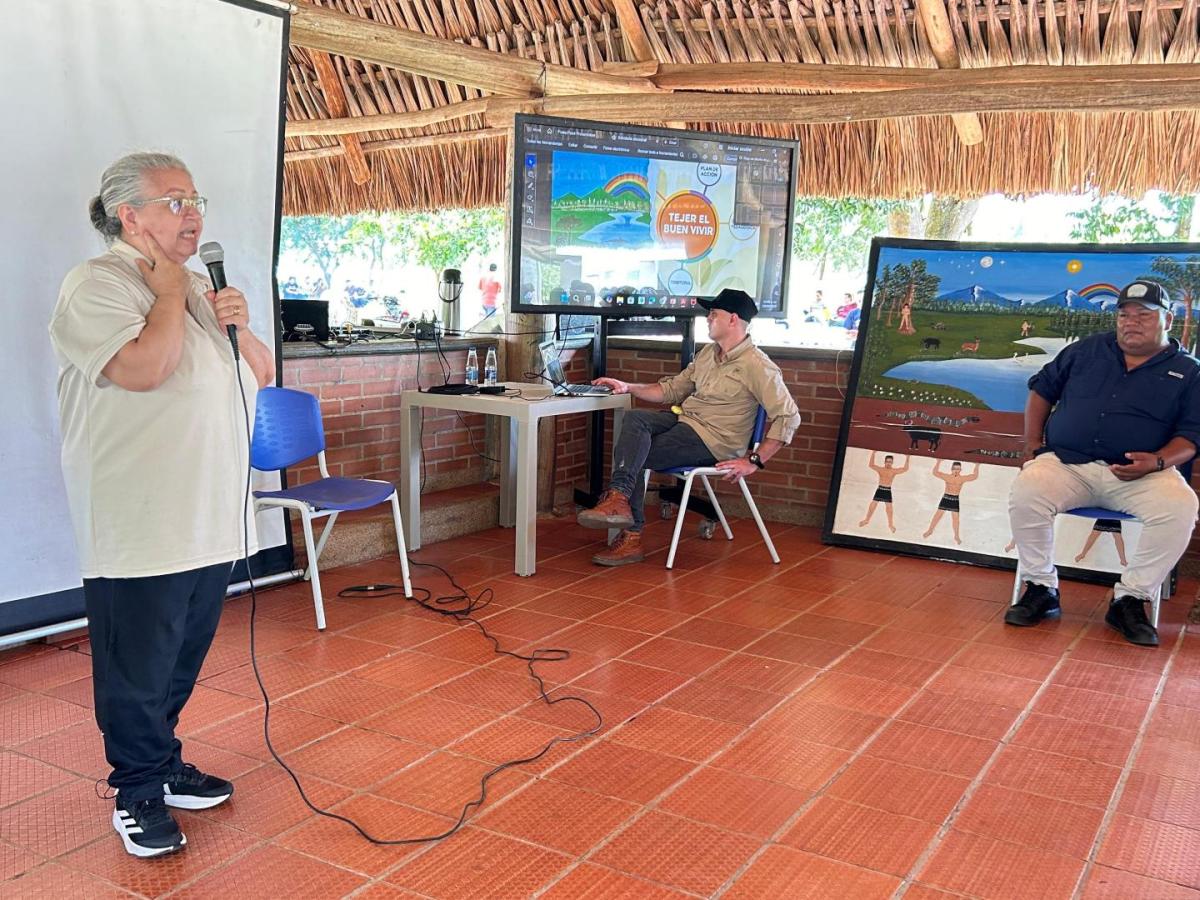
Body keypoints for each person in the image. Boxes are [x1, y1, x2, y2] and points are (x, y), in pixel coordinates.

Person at [49, 152, 275, 857]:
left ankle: (162, 759)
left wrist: (238, 322)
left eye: (196, 199)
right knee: (137, 667)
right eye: (175, 201)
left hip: (208, 513)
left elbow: (261, 375)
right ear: (130, 216)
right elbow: (145, 369)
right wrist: (172, 293)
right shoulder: (98, 284)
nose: (193, 214)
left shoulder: (197, 287)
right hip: (141, 518)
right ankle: (137, 790)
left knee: (180, 656)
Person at [1006, 280, 1200, 647]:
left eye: (1144, 315)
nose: (1131, 322)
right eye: (1124, 315)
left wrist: (1158, 461)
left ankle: (1131, 599)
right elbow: (1042, 389)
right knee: (1028, 490)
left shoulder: (1189, 372)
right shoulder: (1086, 350)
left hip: (1142, 475)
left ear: (1168, 320)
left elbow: (1192, 435)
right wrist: (1032, 445)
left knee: (1181, 507)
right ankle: (1041, 587)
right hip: (1070, 465)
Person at [575, 289, 801, 565]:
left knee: (635, 454)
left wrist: (754, 460)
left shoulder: (758, 366)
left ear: (733, 319)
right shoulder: (708, 354)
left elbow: (789, 416)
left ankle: (630, 533)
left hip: (713, 440)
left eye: (713, 314)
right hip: (685, 421)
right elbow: (672, 390)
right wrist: (627, 387)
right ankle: (619, 499)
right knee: (635, 419)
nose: (708, 318)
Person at [922, 460, 980, 544]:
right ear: (951, 469)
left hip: (955, 499)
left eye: (958, 469)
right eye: (954, 469)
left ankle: (956, 536)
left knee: (956, 519)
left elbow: (974, 476)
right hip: (946, 497)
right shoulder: (947, 477)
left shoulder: (962, 478)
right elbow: (935, 473)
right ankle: (930, 530)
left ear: (960, 470)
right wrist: (938, 461)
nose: (956, 470)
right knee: (937, 516)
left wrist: (977, 465)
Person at [859, 451, 910, 532]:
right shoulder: (881, 469)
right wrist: (873, 453)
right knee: (873, 505)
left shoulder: (893, 471)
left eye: (890, 462)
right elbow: (871, 465)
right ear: (885, 462)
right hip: (880, 489)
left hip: (887, 490)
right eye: (887, 461)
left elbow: (905, 469)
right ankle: (867, 520)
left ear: (892, 463)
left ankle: (890, 525)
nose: (888, 463)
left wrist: (907, 457)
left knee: (889, 508)